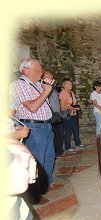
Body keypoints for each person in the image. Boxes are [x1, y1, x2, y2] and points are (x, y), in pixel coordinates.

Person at [11, 58, 55, 204]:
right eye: (39, 71)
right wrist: (46, 91)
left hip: (46, 126)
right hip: (34, 127)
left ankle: (45, 185)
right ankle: (34, 195)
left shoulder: (36, 84)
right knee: (36, 161)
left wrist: (45, 87)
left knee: (49, 157)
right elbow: (32, 107)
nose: (41, 73)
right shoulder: (18, 85)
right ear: (27, 71)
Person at [59, 78, 84, 152]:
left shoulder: (71, 93)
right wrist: (73, 108)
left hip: (74, 114)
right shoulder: (62, 93)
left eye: (71, 84)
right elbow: (62, 106)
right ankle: (68, 147)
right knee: (68, 131)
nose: (70, 85)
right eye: (68, 84)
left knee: (76, 129)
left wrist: (76, 106)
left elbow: (75, 102)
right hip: (68, 115)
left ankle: (78, 143)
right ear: (64, 85)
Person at [45, 70, 65, 157]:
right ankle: (53, 153)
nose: (52, 81)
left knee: (60, 134)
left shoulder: (55, 91)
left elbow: (57, 102)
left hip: (57, 115)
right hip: (50, 116)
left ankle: (59, 151)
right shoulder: (43, 90)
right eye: (50, 79)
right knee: (51, 136)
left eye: (53, 79)